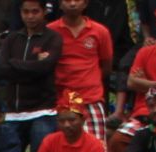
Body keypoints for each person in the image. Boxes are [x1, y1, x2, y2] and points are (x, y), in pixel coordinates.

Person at [0, 0, 64, 152]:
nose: (30, 16)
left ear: (44, 11)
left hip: (42, 112)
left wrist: (14, 64)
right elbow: (1, 69)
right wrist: (33, 65)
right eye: (26, 12)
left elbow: (45, 67)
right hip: (13, 113)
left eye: (35, 11)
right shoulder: (12, 39)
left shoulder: (53, 38)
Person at [46, 0, 113, 144]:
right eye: (67, 0)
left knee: (97, 147)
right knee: (62, 148)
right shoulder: (49, 31)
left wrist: (88, 81)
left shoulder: (100, 31)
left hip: (91, 98)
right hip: (60, 98)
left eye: (77, 0)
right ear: (60, 3)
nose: (72, 4)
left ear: (86, 3)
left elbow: (106, 65)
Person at [32, 91, 108, 152]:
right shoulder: (49, 140)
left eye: (72, 120)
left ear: (83, 120)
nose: (66, 125)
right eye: (62, 121)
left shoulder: (95, 145)